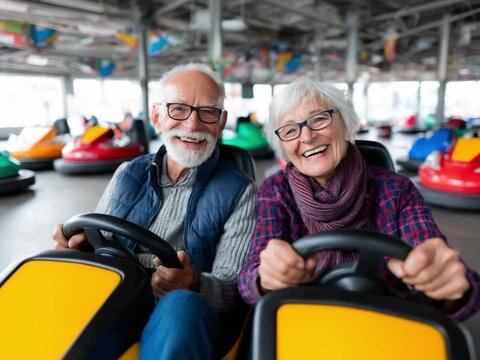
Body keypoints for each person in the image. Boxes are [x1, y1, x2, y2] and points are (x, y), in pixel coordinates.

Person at [53, 63, 257, 359]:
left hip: (183, 313)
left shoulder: (241, 189)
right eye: (178, 109)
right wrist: (76, 248)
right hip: (120, 296)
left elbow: (234, 290)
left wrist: (195, 283)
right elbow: (100, 240)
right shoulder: (127, 172)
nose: (192, 124)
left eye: (208, 112)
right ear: (156, 117)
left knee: (182, 305)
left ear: (221, 122)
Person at [238, 76, 480, 321]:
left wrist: (444, 282)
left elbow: (430, 250)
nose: (307, 136)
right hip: (306, 321)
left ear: (345, 124)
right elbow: (251, 278)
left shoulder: (397, 190)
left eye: (319, 119)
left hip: (390, 318)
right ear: (283, 147)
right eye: (290, 130)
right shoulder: (276, 191)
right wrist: (268, 277)